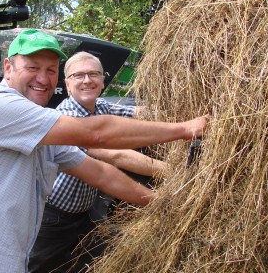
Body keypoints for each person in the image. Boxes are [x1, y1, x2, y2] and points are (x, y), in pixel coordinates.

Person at [0, 29, 209, 273]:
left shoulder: (38, 126)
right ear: (7, 68)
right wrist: (184, 130)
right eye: (32, 68)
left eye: (50, 70)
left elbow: (100, 174)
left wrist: (162, 203)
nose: (43, 79)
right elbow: (96, 134)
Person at [28, 51, 170, 273]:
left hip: (85, 212)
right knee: (41, 267)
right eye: (78, 75)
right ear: (67, 84)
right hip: (54, 216)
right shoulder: (67, 116)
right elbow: (114, 155)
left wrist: (177, 109)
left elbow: (140, 113)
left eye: (93, 74)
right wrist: (174, 171)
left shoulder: (101, 106)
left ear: (103, 81)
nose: (87, 80)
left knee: (93, 260)